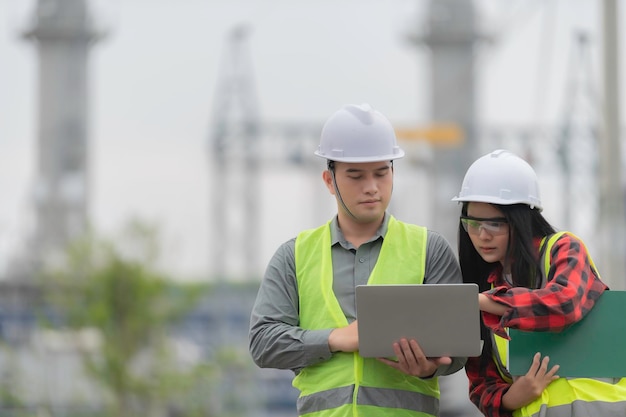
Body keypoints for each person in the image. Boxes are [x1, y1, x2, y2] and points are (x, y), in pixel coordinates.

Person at [249, 103, 466, 417]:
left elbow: (459, 348)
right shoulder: (294, 255)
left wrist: (427, 368)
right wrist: (337, 339)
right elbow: (263, 342)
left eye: (382, 173)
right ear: (329, 180)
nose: (372, 188)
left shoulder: (430, 249)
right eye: (355, 176)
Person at [451, 149, 626, 417]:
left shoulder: (563, 249)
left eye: (495, 224)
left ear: (520, 220)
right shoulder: (485, 291)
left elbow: (564, 303)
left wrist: (481, 302)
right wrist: (511, 398)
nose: (482, 235)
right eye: (473, 224)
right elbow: (481, 387)